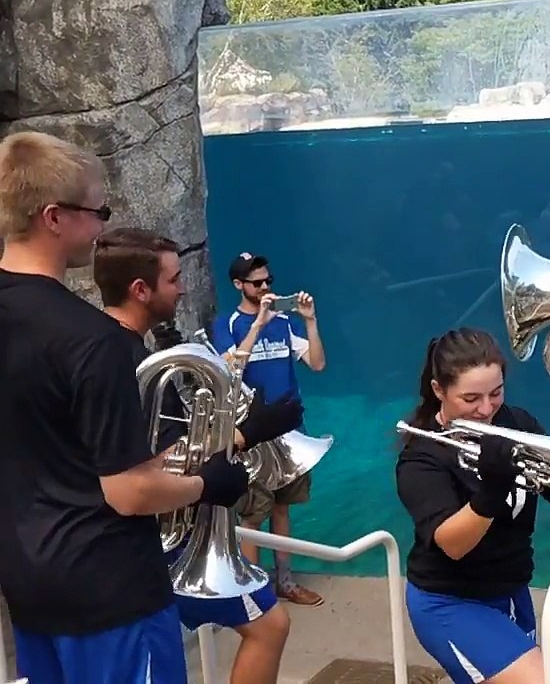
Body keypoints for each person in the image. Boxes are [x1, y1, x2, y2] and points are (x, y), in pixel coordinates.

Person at [0, 131, 248, 683]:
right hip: (110, 591)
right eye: (97, 211)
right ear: (54, 217)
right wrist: (210, 483)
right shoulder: (92, 339)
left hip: (28, 582)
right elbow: (128, 492)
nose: (101, 228)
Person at [93, 226, 301, 684]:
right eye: (174, 278)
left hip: (139, 547)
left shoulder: (108, 346)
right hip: (152, 545)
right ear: (140, 290)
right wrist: (246, 435)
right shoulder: (124, 359)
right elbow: (159, 462)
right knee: (270, 625)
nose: (183, 286)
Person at [396, 328, 550, 684]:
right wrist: (491, 492)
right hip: (450, 602)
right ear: (438, 390)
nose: (487, 409)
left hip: (511, 590)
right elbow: (452, 544)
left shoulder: (515, 422)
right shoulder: (421, 458)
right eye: (471, 398)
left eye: (496, 393)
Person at [210, 251, 327, 607]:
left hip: (289, 431)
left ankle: (285, 583)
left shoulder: (284, 323)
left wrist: (309, 321)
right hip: (251, 433)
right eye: (257, 282)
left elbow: (317, 364)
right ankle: (252, 592)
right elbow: (229, 370)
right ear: (238, 285)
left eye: (268, 281)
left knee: (282, 508)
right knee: (253, 514)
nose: (265, 288)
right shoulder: (227, 324)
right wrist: (258, 324)